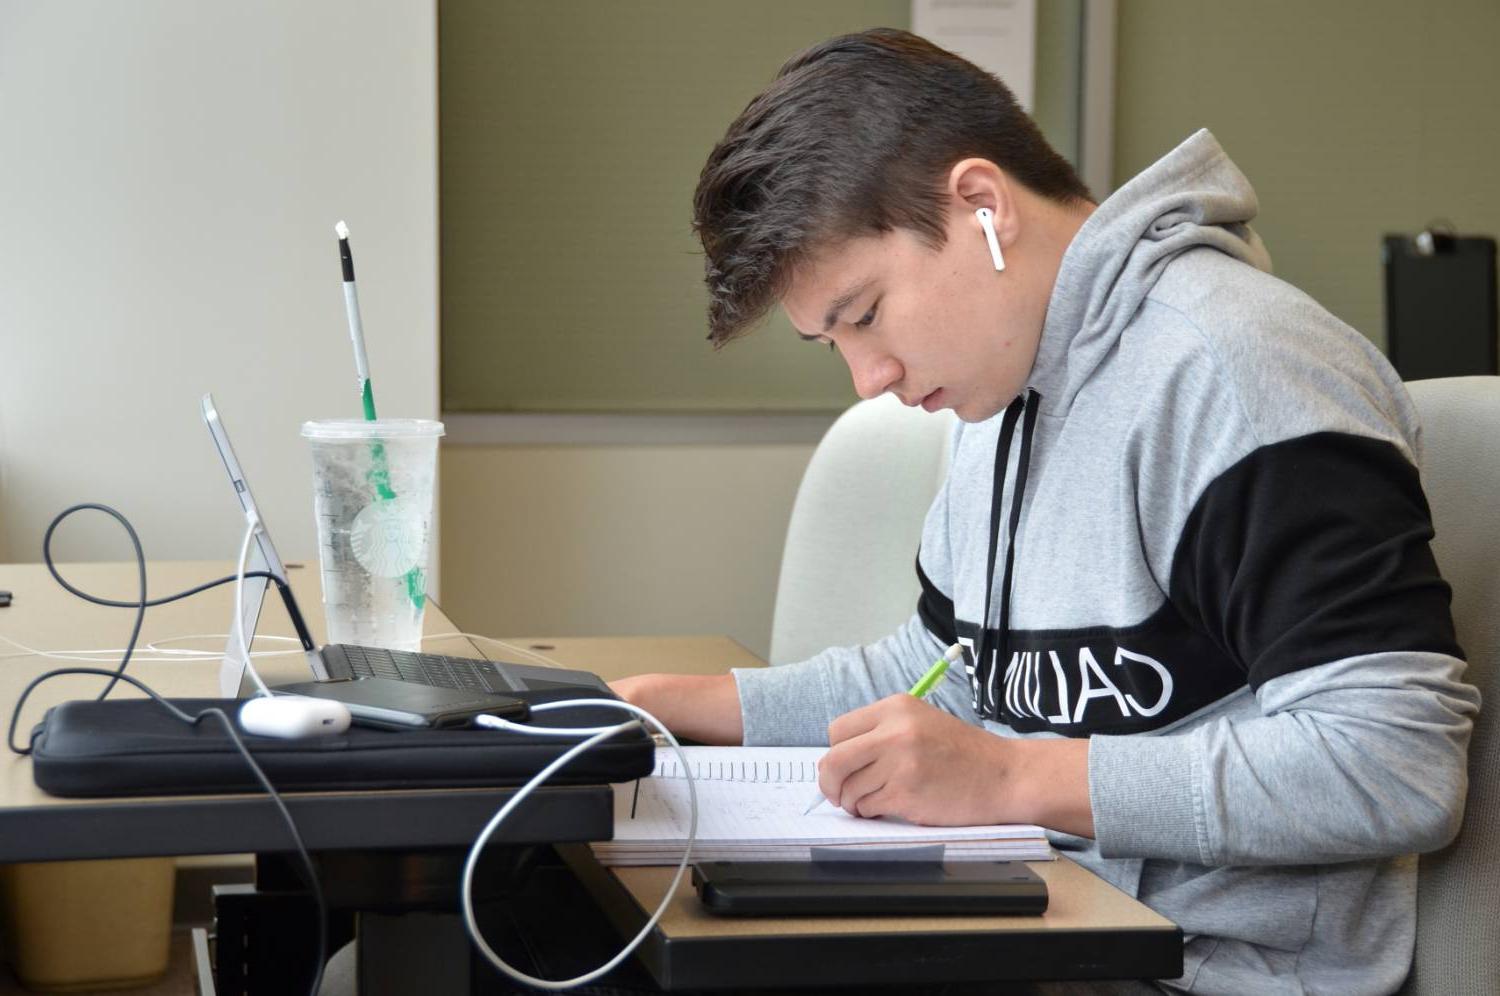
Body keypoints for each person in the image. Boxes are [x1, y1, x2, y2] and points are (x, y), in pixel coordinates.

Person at [612, 27, 1481, 996]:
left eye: (864, 314)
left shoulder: (1241, 375)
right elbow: (949, 670)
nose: (869, 378)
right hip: (1042, 923)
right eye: (833, 343)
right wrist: (683, 706)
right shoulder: (1003, 390)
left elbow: (1394, 764)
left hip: (1211, 972)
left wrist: (1011, 779)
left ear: (981, 206)